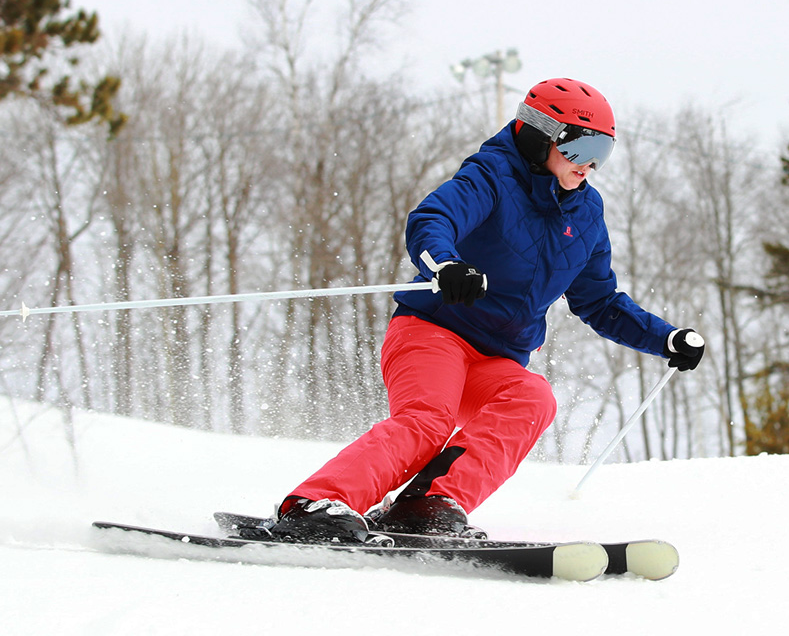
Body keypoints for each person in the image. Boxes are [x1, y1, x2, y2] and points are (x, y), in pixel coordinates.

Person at [263, 78, 705, 544]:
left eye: (604, 151)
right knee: (429, 420)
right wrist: (446, 264)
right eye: (581, 146)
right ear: (541, 135)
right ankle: (312, 504)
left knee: (533, 399)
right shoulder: (492, 175)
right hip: (432, 332)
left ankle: (426, 505)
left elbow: (599, 301)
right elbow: (433, 219)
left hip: (496, 359)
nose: (591, 163)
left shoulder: (587, 213)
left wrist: (664, 338)